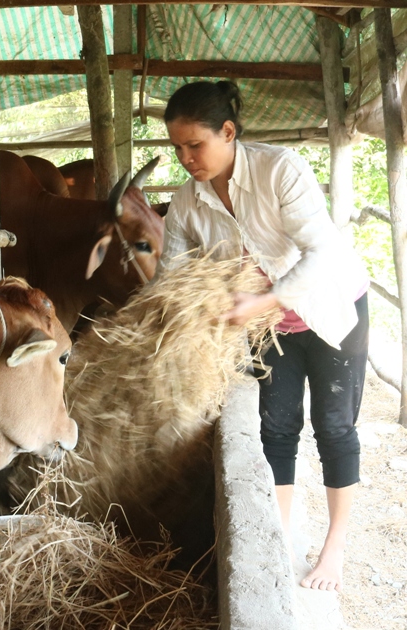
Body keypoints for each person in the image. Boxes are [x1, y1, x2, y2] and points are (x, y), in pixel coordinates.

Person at [158, 80, 370, 592]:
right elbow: (170, 273)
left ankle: (334, 548)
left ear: (228, 132)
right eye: (178, 148)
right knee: (276, 428)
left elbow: (322, 253)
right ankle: (277, 535)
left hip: (330, 308)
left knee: (333, 426)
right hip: (265, 326)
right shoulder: (188, 202)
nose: (186, 158)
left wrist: (265, 301)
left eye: (196, 145)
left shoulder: (281, 170)